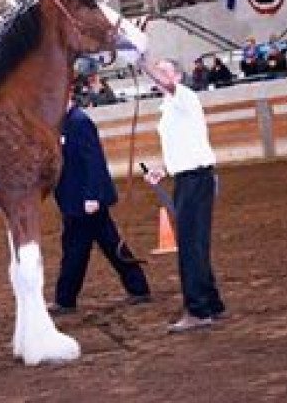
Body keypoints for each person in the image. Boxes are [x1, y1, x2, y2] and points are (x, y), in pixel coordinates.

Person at [48, 72, 151, 315]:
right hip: (74, 199)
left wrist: (93, 196)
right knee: (108, 243)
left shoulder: (79, 122)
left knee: (75, 249)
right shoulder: (61, 124)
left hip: (84, 200)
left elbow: (94, 162)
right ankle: (138, 287)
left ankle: (65, 299)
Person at [139, 57, 225, 333]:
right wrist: (162, 169)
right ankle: (211, 303)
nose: (160, 76)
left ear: (176, 76)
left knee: (190, 245)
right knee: (193, 243)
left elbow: (163, 82)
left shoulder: (184, 96)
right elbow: (185, 145)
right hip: (188, 178)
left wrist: (140, 59)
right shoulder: (170, 106)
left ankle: (198, 310)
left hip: (195, 180)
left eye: (165, 71)